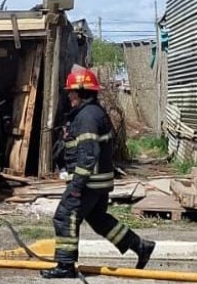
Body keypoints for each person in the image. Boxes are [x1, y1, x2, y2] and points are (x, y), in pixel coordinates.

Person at [41, 67, 155, 279]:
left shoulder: (87, 117)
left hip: (88, 182)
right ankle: (140, 246)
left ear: (81, 91)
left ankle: (65, 265)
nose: (69, 95)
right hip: (99, 181)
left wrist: (76, 186)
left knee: (65, 216)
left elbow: (88, 154)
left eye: (72, 91)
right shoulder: (92, 113)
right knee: (98, 219)